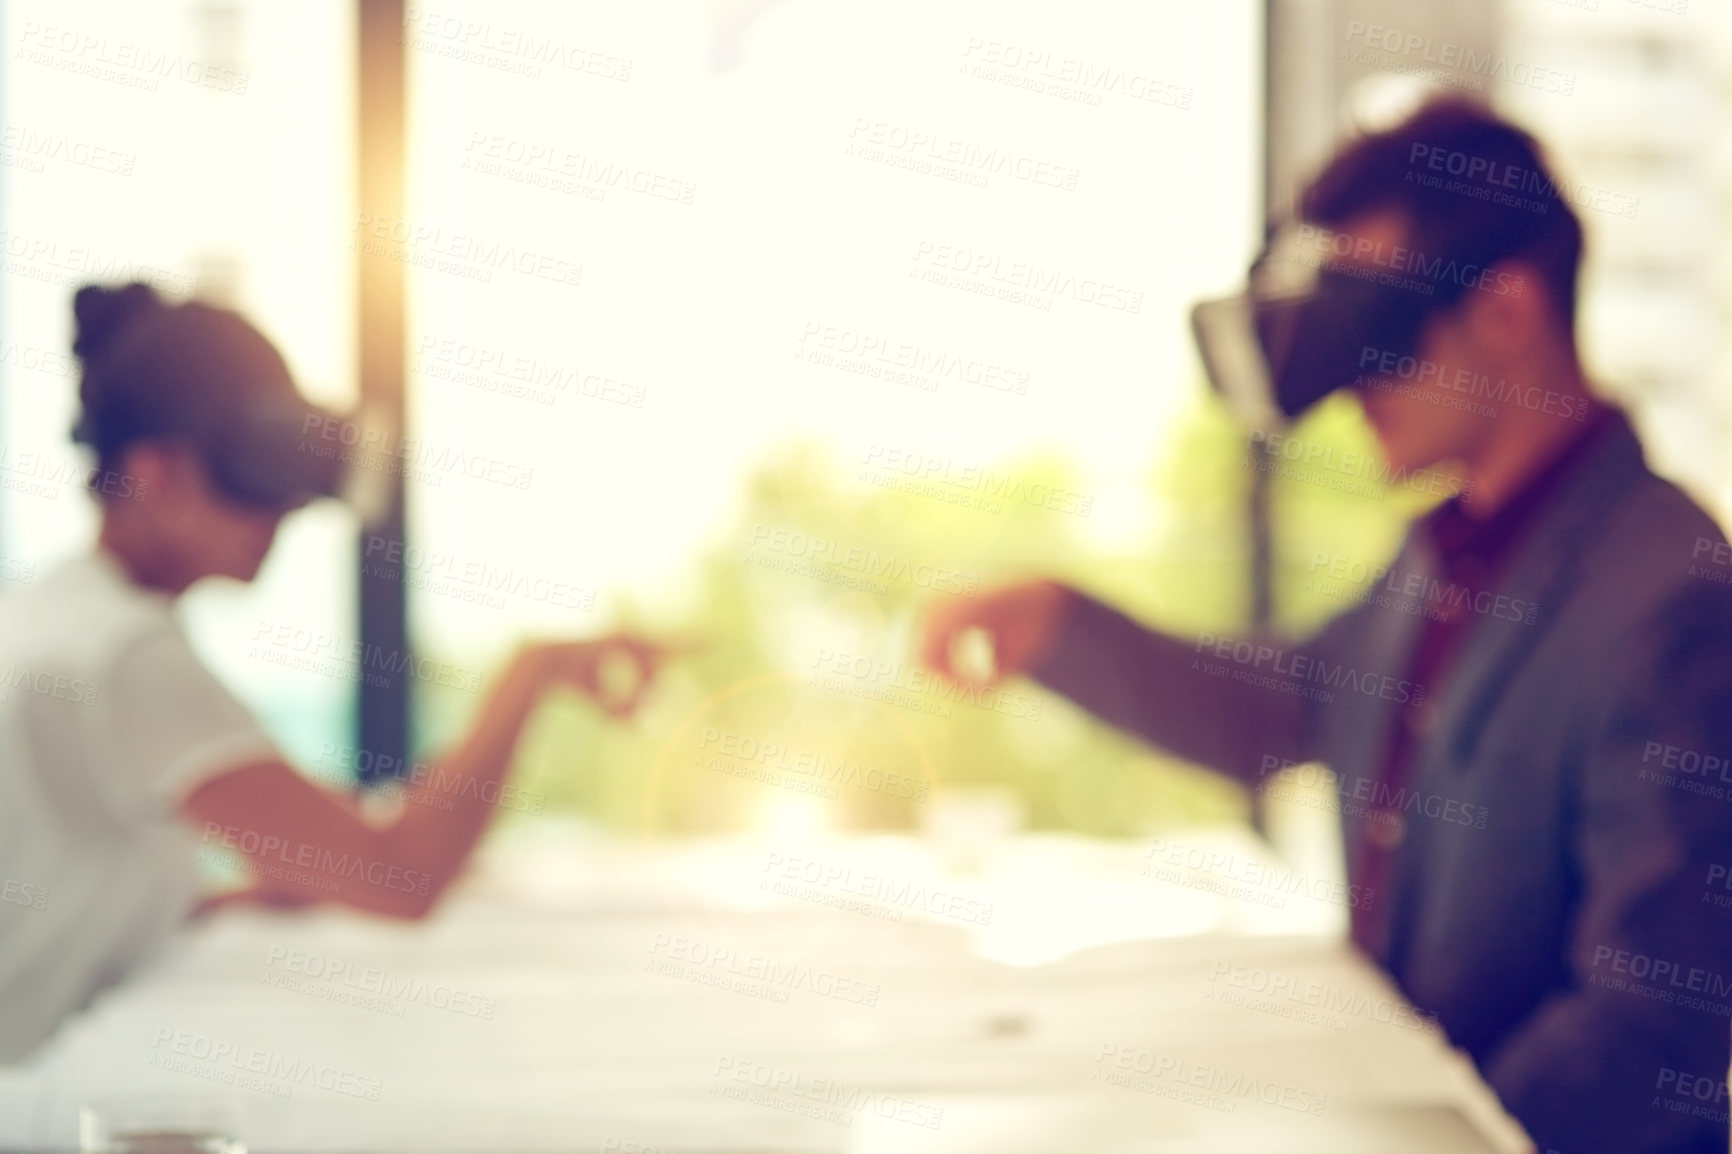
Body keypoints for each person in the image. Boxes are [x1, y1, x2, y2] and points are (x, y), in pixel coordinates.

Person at [921, 99, 1732, 1154]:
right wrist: (1062, 628)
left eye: (1378, 332)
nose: (1346, 386)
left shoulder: (1674, 598)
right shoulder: (1445, 554)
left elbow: (1652, 1027)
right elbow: (1291, 704)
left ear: (1507, 309)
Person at [0, 282, 670, 1062]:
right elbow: (402, 877)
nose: (284, 513)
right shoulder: (125, 655)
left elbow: (68, 881)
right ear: (155, 478)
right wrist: (533, 671)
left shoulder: (50, 614)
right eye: (252, 477)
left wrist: (277, 877)